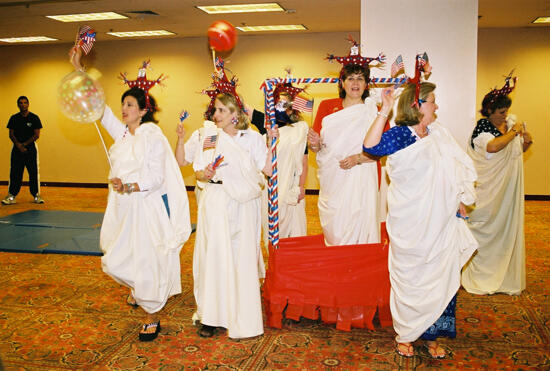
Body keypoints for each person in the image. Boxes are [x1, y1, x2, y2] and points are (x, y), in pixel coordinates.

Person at [70, 47, 192, 342]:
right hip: (125, 209)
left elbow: (156, 175)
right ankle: (140, 290)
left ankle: (152, 316)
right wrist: (78, 70)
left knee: (147, 260)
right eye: (122, 104)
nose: (123, 109)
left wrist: (130, 186)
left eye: (129, 105)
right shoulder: (123, 133)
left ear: (143, 109)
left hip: (147, 209)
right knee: (116, 258)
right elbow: (100, 110)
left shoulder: (152, 136)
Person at [362, 81, 478, 358]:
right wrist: (385, 110)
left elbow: (454, 171)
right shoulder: (402, 135)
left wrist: (459, 198)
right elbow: (370, 146)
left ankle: (433, 336)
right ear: (417, 105)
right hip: (412, 222)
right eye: (432, 101)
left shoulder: (439, 134)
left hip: (442, 220)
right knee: (413, 279)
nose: (436, 106)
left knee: (442, 276)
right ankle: (407, 335)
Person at [192, 85, 277, 339]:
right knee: (215, 256)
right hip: (216, 201)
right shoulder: (209, 137)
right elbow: (197, 170)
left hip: (243, 204)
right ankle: (211, 316)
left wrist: (273, 143)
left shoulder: (251, 137)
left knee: (241, 257)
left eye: (221, 110)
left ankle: (243, 314)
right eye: (215, 110)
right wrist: (204, 174)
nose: (215, 114)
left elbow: (268, 170)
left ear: (234, 114)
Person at [461, 76, 532, 295]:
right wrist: (514, 132)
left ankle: (499, 272)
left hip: (502, 195)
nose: (504, 115)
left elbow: (516, 151)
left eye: (505, 111)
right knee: (481, 230)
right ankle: (478, 273)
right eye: (501, 112)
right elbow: (492, 148)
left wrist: (525, 138)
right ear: (489, 112)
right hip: (486, 192)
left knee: (500, 231)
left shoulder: (507, 127)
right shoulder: (483, 126)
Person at [307, 47, 381, 246]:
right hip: (334, 178)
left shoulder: (375, 110)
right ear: (342, 82)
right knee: (335, 229)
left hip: (362, 174)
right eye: (350, 78)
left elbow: (382, 149)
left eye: (360, 78)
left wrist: (357, 159)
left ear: (367, 84)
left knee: (361, 222)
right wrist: (314, 144)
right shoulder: (327, 106)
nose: (355, 83)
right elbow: (319, 148)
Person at [248, 89, 308, 240]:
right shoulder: (266, 123)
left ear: (291, 106)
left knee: (294, 230)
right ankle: (275, 257)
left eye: (285, 103)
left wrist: (301, 186)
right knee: (270, 227)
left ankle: (292, 261)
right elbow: (242, 107)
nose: (280, 106)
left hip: (292, 186)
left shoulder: (300, 129)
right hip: (269, 186)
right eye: (277, 102)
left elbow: (304, 161)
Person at [2, 96, 44, 205]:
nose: (23, 104)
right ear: (18, 105)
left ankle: (36, 195)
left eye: (25, 102)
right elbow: (11, 134)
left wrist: (24, 144)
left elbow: (36, 135)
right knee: (15, 172)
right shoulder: (14, 118)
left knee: (33, 172)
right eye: (20, 103)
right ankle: (11, 196)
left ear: (28, 104)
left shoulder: (34, 118)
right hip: (17, 149)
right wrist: (18, 145)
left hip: (30, 149)